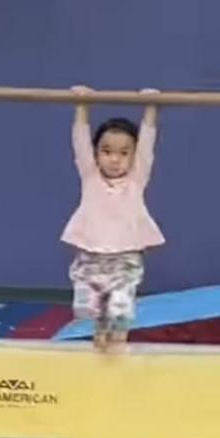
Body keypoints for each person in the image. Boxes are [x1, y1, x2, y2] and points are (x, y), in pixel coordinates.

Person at [61, 86, 165, 353]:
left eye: (123, 153)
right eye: (106, 151)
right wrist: (81, 105)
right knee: (87, 309)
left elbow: (147, 145)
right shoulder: (91, 178)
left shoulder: (136, 180)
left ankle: (118, 340)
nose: (114, 159)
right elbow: (80, 142)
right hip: (91, 254)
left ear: (133, 156)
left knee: (120, 309)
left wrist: (152, 107)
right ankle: (100, 331)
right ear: (97, 154)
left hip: (124, 256)